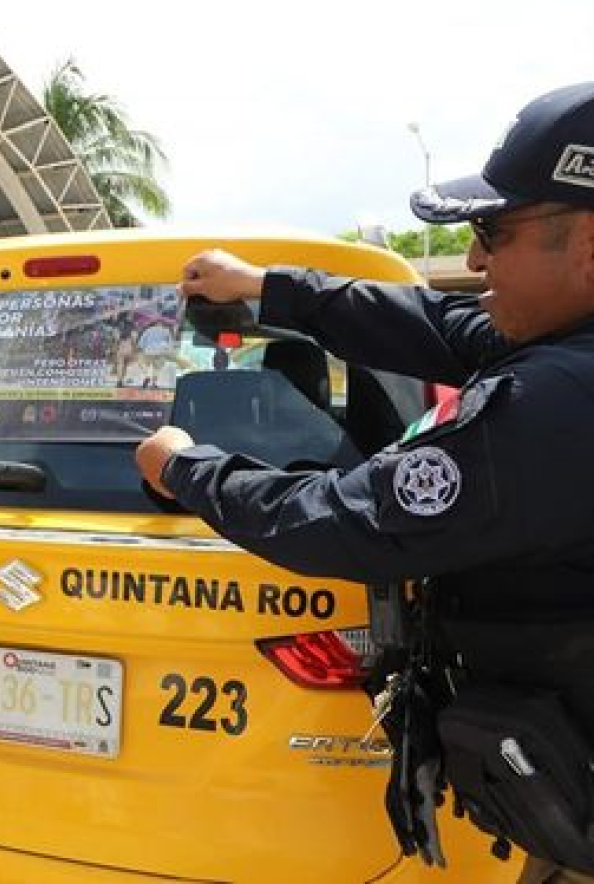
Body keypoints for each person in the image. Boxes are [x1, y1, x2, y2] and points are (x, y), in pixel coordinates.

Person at [136, 82, 594, 884]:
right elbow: (444, 326)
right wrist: (267, 288)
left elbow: (350, 520)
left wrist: (184, 466)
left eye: (493, 230)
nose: (477, 259)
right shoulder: (566, 349)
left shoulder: (553, 404)